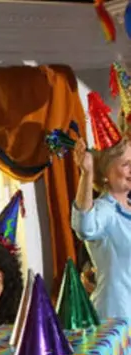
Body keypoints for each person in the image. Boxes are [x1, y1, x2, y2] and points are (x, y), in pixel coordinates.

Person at [71, 120, 131, 318]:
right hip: (117, 317)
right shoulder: (105, 210)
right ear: (105, 174)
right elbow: (84, 226)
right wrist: (86, 174)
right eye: (126, 164)